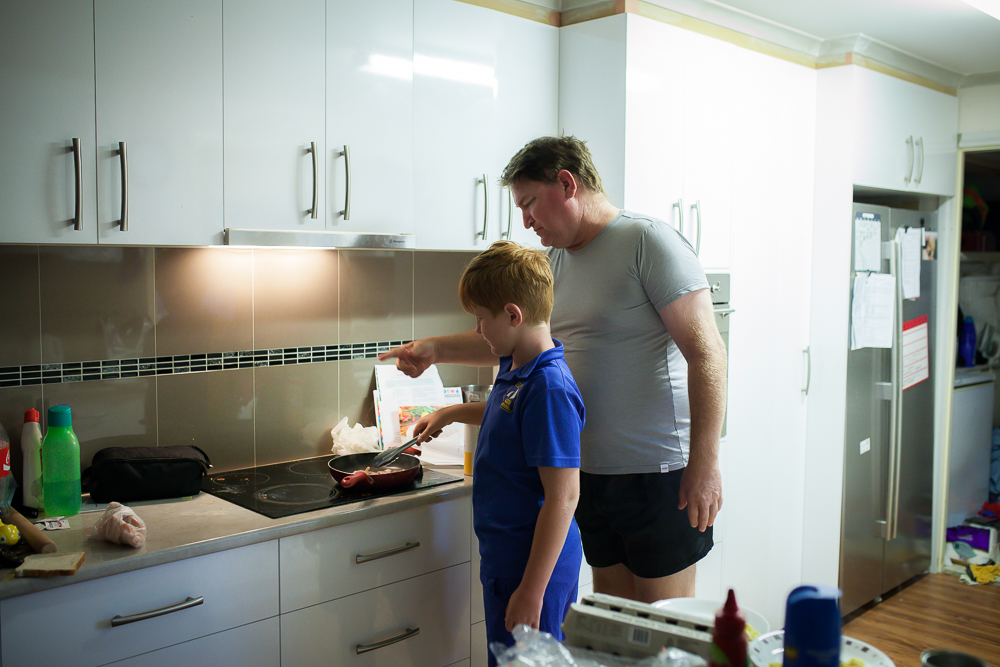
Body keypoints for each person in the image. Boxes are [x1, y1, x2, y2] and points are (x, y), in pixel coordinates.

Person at [381, 135, 727, 604]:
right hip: (590, 475)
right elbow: (516, 336)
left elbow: (707, 354)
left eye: (529, 203)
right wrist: (434, 349)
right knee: (612, 628)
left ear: (566, 184)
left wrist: (705, 463)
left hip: (658, 474)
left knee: (664, 630)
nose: (525, 220)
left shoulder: (648, 241)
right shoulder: (554, 263)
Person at [411, 240, 584, 664]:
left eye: (480, 319)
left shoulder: (549, 388)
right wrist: (451, 412)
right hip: (507, 562)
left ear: (512, 315)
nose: (476, 331)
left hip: (534, 569)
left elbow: (564, 497)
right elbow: (506, 411)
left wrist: (532, 590)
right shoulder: (516, 366)